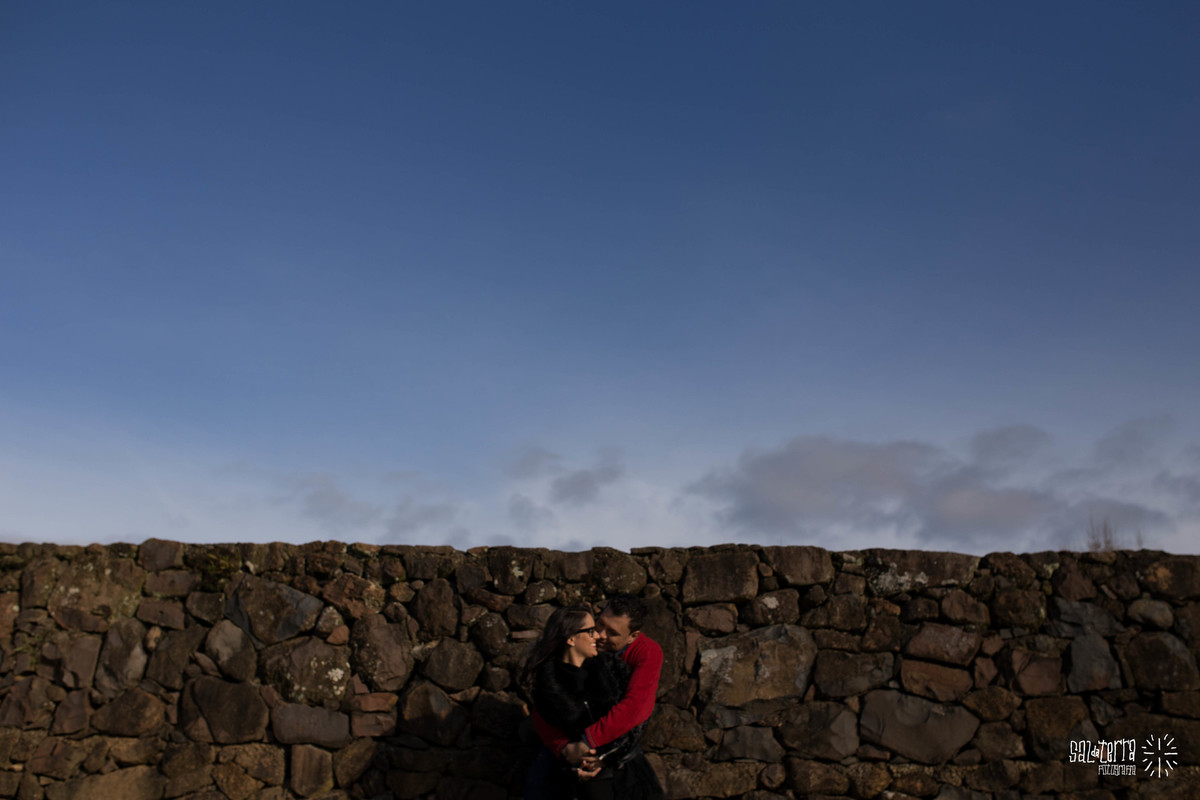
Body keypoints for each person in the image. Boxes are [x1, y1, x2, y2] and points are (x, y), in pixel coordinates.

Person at [523, 596, 664, 800]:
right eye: (600, 624)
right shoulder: (576, 644)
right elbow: (543, 704)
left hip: (612, 746)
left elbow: (636, 708)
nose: (600, 634)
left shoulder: (645, 652)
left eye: (613, 633)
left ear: (632, 636)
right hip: (565, 742)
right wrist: (563, 747)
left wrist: (596, 750)